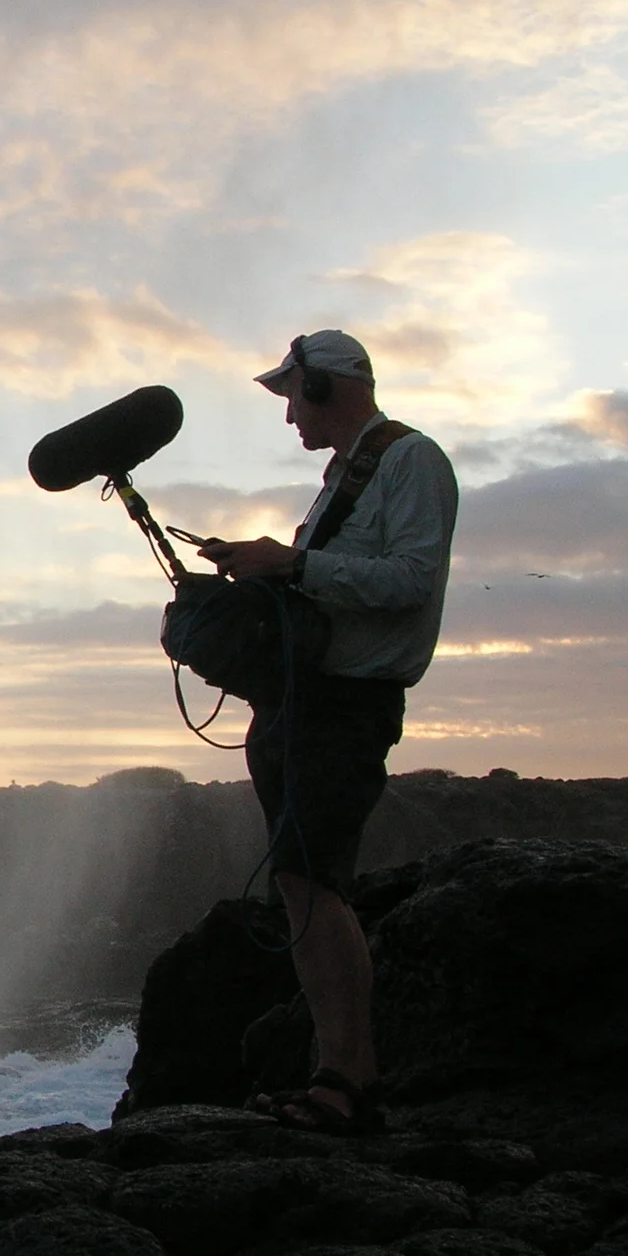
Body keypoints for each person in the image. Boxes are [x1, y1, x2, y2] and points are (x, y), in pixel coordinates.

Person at [198, 329, 458, 1134]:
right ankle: (337, 1072)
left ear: (323, 387)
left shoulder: (412, 461)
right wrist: (259, 565)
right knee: (301, 882)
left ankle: (348, 1080)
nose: (288, 418)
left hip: (347, 705)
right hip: (302, 703)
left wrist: (294, 565)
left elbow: (411, 580)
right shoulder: (344, 476)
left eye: (291, 398)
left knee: (317, 884)